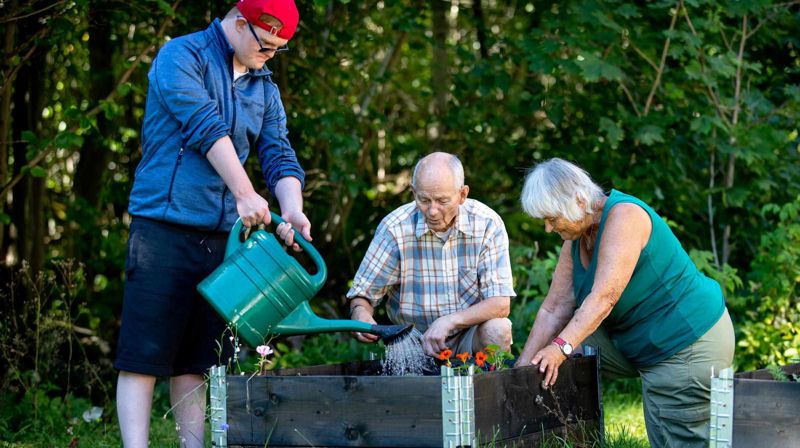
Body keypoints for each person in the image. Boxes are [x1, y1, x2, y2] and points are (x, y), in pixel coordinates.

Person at [114, 1, 311, 446]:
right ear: (240, 24)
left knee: (199, 360)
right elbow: (205, 127)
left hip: (223, 240)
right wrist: (245, 193)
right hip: (162, 227)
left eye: (279, 49)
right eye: (267, 46)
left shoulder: (264, 86)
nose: (271, 56)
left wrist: (293, 209)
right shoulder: (181, 57)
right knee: (144, 355)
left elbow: (279, 154)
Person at [515, 158, 734, 448]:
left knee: (675, 439)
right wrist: (521, 370)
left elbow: (604, 298)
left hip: (686, 342)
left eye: (552, 218)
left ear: (579, 200)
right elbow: (553, 307)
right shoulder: (577, 237)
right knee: (561, 357)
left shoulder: (625, 217)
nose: (547, 228)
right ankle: (571, 438)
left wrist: (560, 347)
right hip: (637, 338)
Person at [347, 152, 516, 356]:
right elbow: (362, 295)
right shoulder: (394, 228)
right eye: (424, 199)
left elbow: (500, 304)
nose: (432, 211)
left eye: (442, 201)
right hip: (411, 340)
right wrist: (361, 315)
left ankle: (488, 387)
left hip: (468, 336)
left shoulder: (487, 223)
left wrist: (449, 321)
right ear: (413, 192)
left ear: (463, 194)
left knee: (498, 330)